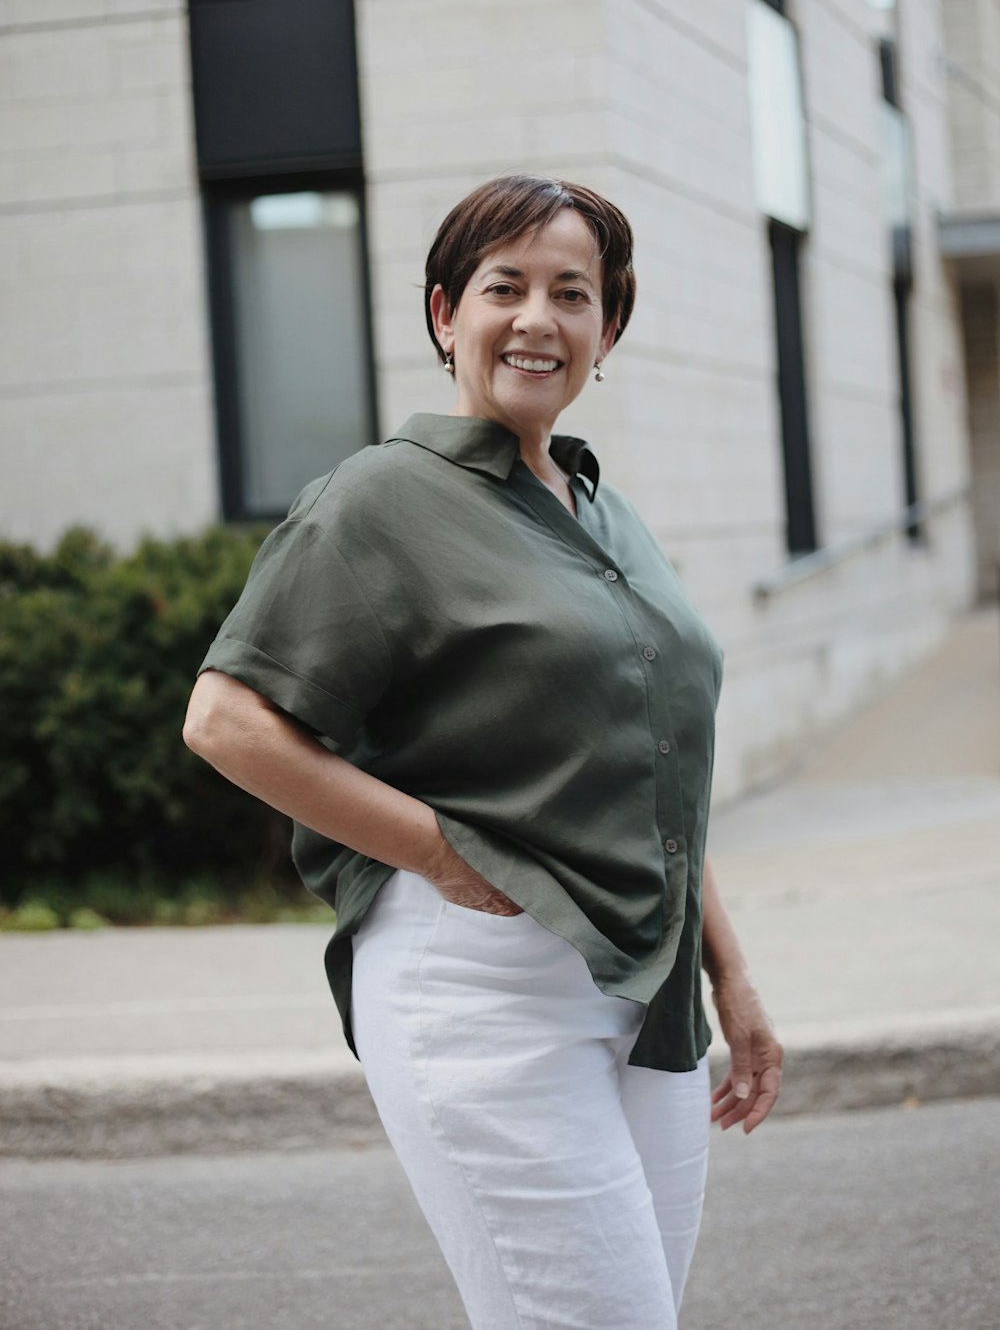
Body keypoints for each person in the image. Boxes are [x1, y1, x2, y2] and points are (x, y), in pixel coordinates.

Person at [183, 174, 783, 1330]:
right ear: (444, 313)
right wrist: (447, 856)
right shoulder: (378, 500)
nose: (538, 319)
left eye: (574, 293)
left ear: (607, 329)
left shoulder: (601, 508)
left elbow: (658, 762)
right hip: (484, 993)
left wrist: (731, 975)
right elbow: (227, 720)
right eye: (505, 287)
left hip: (646, 998)